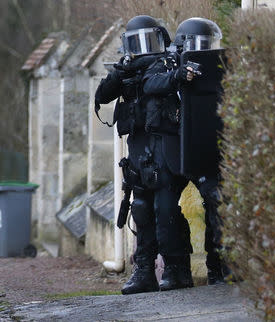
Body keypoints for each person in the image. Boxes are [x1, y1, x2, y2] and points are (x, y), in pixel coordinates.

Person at [143, 17, 232, 286]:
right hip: (171, 148)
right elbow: (150, 84)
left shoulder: (217, 65)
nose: (204, 50)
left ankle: (219, 266)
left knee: (217, 200)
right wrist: (177, 76)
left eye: (209, 45)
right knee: (164, 205)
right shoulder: (165, 62)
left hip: (202, 146)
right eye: (199, 45)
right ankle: (175, 268)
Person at [94, 15, 173, 295]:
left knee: (164, 208)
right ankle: (144, 271)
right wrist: (120, 71)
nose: (143, 48)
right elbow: (102, 95)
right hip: (138, 143)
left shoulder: (166, 64)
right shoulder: (127, 70)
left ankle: (175, 270)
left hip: (163, 140)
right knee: (140, 207)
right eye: (137, 43)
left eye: (148, 41)